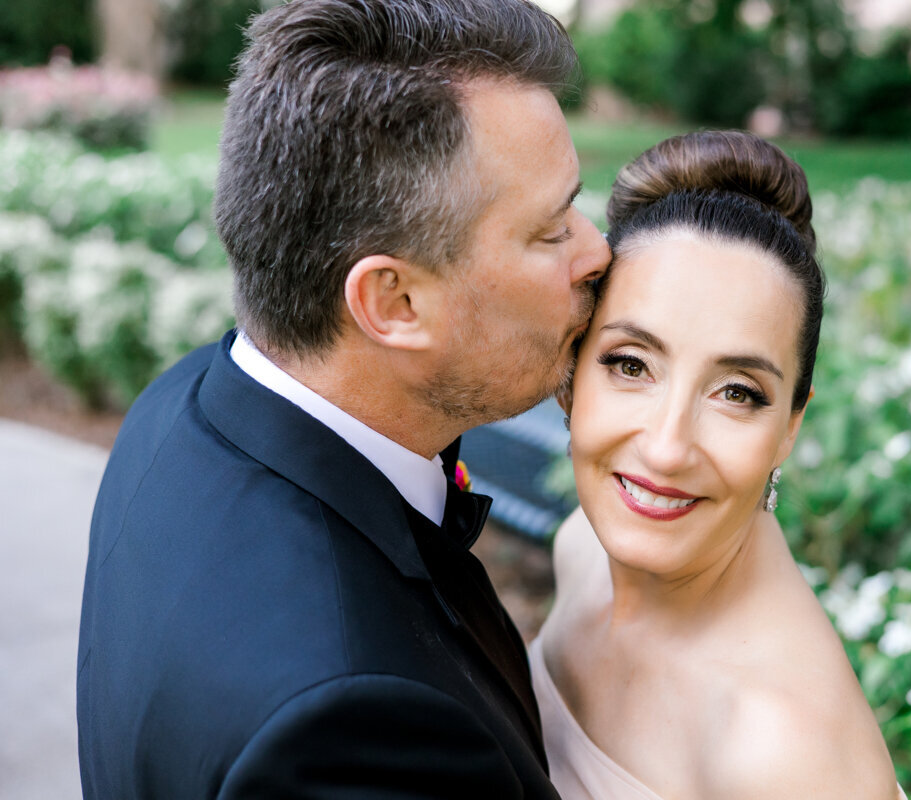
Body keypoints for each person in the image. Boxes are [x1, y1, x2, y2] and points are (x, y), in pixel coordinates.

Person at [76, 0, 608, 796]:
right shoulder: (353, 730)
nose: (597, 250)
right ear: (392, 303)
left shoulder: (184, 403)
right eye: (551, 227)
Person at [531, 131, 904, 799]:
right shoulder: (581, 548)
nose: (668, 447)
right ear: (572, 375)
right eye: (631, 365)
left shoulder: (780, 754)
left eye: (737, 393)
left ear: (790, 424)